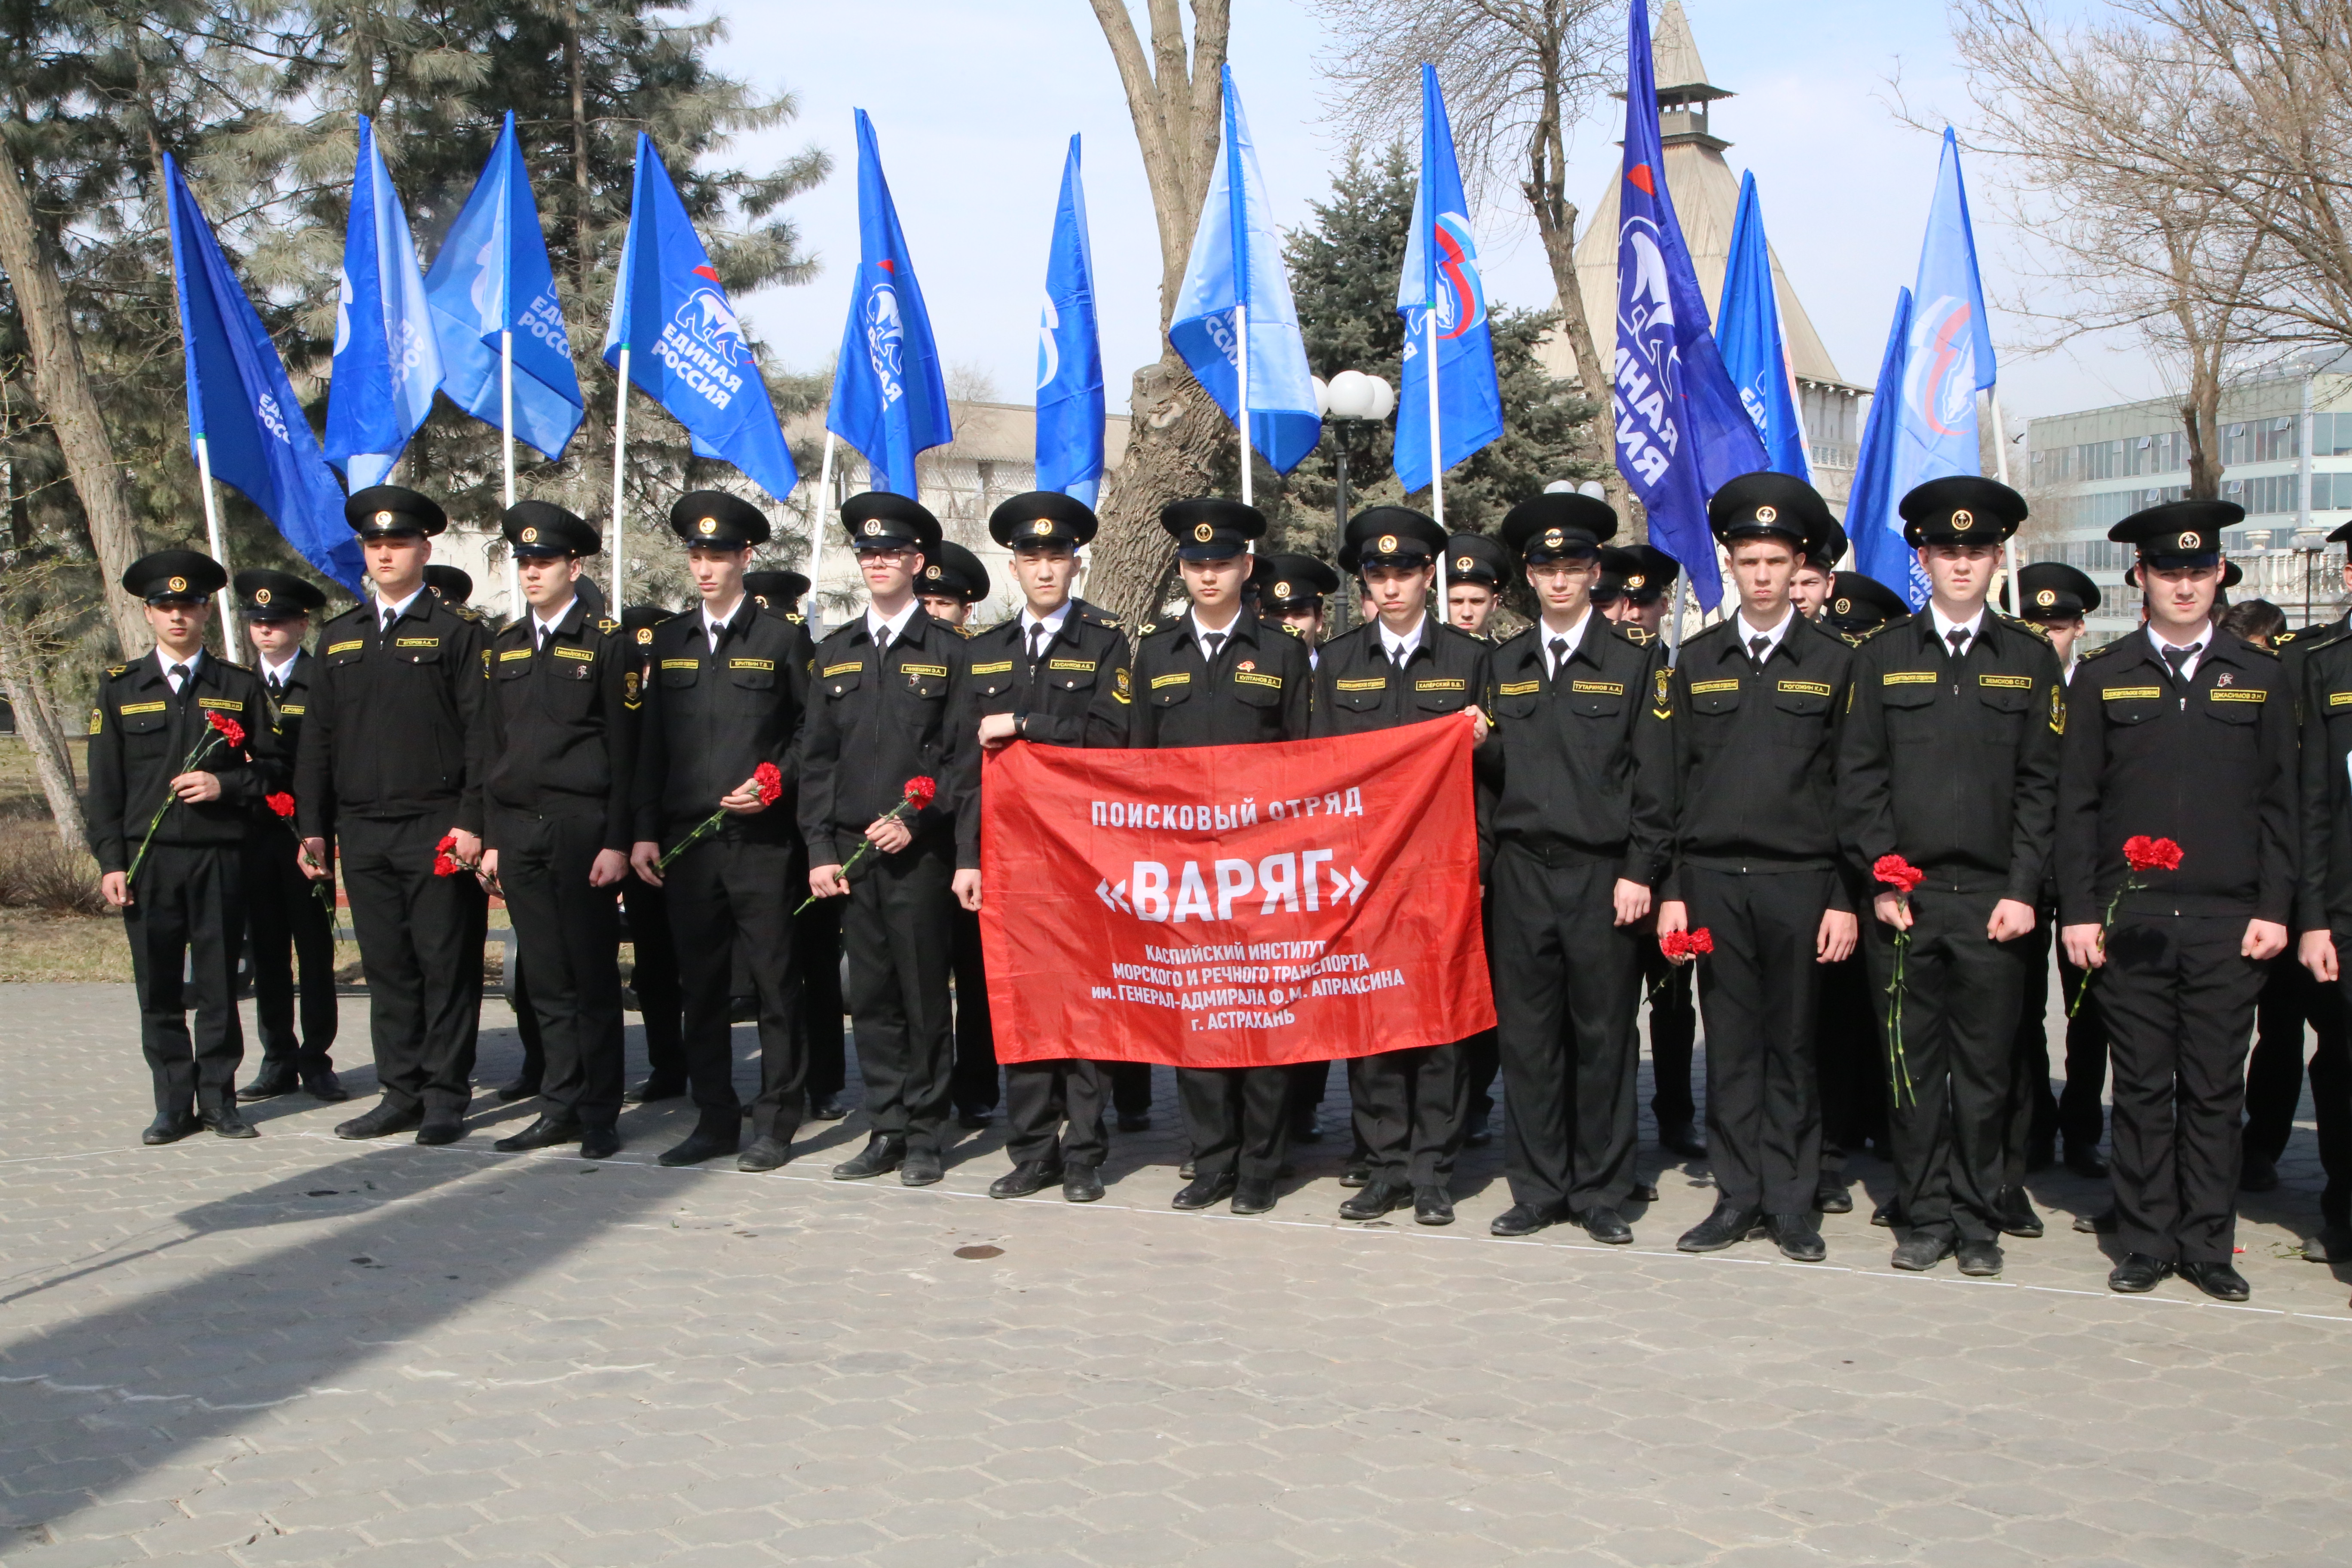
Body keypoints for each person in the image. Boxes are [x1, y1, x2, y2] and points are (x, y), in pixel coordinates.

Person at [2059, 499, 2293, 1301]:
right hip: (2134, 919)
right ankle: (2146, 1238)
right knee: (2143, 1084)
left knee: (2213, 1085)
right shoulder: (2102, 677)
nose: (2184, 584)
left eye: (2197, 570)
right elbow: (2076, 806)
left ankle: (2208, 1242)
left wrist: (2275, 907)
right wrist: (2080, 910)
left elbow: (2281, 803)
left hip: (2231, 920)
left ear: (2220, 574)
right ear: (2140, 578)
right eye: (2168, 571)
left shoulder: (2260, 676)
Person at [1838, 478, 2063, 1278]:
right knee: (1911, 1066)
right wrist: (1883, 879)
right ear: (1921, 557)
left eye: (1975, 551)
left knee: (1985, 1069)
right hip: (1907, 903)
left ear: (1997, 559)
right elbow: (1858, 780)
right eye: (1944, 550)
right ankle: (1924, 1213)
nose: (1960, 563)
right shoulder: (1882, 655)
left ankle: (1978, 1216)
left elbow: (2044, 786)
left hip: (1995, 902)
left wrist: (2023, 888)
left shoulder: (2028, 658)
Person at [1657, 472, 1861, 1262]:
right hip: (1713, 881)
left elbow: (1853, 787)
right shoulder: (1697, 659)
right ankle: (1736, 1195)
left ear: (1798, 564)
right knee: (1732, 1045)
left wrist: (1845, 894)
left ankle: (1791, 1199)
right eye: (1749, 561)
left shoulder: (1838, 663)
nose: (1764, 575)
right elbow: (1671, 785)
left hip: (1802, 884)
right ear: (1731, 567)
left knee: (1797, 1045)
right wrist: (1673, 890)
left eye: (1777, 561)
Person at [1094, 498, 1311, 1215]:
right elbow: (1136, 762)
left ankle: (1260, 1164)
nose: (1208, 574)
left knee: (1263, 1016)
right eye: (1196, 564)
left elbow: (1309, 761)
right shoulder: (1155, 651)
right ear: (1182, 570)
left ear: (1246, 567)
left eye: (1221, 563)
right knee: (1197, 1018)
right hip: (1185, 872)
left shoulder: (1281, 652)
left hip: (1262, 870)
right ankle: (1211, 1157)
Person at [1476, 496, 1672, 1242]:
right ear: (1527, 576)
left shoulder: (1634, 660)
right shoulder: (1503, 664)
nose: (1559, 580)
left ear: (1596, 573)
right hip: (1524, 874)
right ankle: (1536, 1186)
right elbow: (1493, 783)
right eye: (1545, 567)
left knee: (1603, 1036)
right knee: (1527, 1039)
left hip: (1602, 875)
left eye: (1572, 567)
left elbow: (1655, 782)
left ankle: (1599, 1188)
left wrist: (1639, 870)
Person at [1311, 506, 1493, 1226]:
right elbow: (1320, 769)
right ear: (1366, 584)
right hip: (1364, 874)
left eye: (1405, 572)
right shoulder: (1341, 662)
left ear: (1429, 576)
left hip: (1443, 870)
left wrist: (1481, 859)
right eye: (1378, 575)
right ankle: (1383, 1164)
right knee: (1371, 1018)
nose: (1392, 587)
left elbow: (1496, 775)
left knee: (1440, 1024)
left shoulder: (1469, 659)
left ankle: (1433, 1169)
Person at [297, 487, 490, 1147]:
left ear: (424, 550)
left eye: (398, 543)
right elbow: (317, 741)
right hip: (363, 828)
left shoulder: (457, 634)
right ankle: (399, 1091)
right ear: (364, 554)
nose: (386, 553)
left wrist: (472, 819)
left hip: (435, 824)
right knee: (388, 969)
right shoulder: (339, 638)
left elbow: (480, 736)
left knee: (445, 963)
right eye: (375, 545)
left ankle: (444, 1096)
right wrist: (313, 827)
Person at [630, 493, 816, 1171]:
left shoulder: (780, 639)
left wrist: (777, 780)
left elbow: (809, 732)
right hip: (689, 842)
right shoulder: (672, 639)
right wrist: (645, 831)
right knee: (701, 986)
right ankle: (714, 1116)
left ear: (746, 558)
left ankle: (777, 1120)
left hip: (762, 842)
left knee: (773, 983)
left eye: (719, 556)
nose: (705, 569)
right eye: (697, 556)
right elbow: (651, 745)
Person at [801, 493, 982, 1186]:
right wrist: (818, 850)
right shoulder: (835, 651)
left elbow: (962, 760)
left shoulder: (946, 652)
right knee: (871, 1000)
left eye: (892, 553)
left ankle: (928, 1134)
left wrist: (919, 820)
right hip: (852, 854)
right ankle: (886, 1127)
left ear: (916, 561)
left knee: (922, 998)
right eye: (868, 553)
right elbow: (815, 760)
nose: (879, 563)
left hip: (919, 855)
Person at [964, 491, 1130, 1203]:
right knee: (1024, 1002)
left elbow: (1113, 736)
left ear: (1076, 564)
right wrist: (968, 855)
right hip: (1010, 856)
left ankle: (1086, 1150)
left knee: (1087, 1002)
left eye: (1056, 556)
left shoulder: (1106, 642)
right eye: (1031, 557)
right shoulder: (986, 652)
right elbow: (964, 762)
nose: (1043, 568)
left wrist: (1026, 719)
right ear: (1012, 566)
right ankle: (1032, 1149)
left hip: (1085, 854)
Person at [91, 551, 285, 1143]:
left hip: (219, 854)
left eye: (190, 605)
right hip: (149, 863)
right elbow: (105, 786)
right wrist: (111, 861)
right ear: (149, 614)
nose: (178, 616)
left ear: (206, 610)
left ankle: (219, 1100)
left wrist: (224, 783)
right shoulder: (122, 687)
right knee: (158, 985)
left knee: (220, 983)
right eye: (165, 606)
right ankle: (173, 1104)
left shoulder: (238, 685)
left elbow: (276, 771)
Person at [476, 503, 636, 1161]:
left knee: (590, 976)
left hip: (582, 828)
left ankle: (599, 1111)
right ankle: (559, 1104)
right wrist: (489, 836)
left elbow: (628, 752)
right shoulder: (506, 645)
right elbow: (489, 747)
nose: (532, 571)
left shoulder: (607, 641)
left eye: (544, 562)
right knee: (543, 977)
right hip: (519, 830)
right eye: (524, 562)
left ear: (575, 567)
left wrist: (619, 841)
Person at [2000, 561, 2109, 1221]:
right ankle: (2033, 1126)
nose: (2050, 637)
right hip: (2023, 877)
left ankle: (2084, 1132)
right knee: (2018, 1013)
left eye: (2061, 626)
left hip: (2087, 881)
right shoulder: (2012, 684)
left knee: (2089, 1013)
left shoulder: (2095, 687)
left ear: (2080, 628)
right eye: (2036, 625)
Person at [232, 568, 347, 1105]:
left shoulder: (322, 680)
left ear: (302, 625)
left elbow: (329, 762)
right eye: (257, 622)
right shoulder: (238, 686)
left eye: (277, 621)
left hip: (308, 835)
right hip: (255, 834)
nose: (266, 630)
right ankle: (277, 1055)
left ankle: (316, 1059)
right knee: (269, 950)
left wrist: (319, 830)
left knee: (315, 949)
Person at [745, 571, 847, 1123]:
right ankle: (780, 1084)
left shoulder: (800, 652)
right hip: (760, 835)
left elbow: (815, 740)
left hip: (805, 834)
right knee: (774, 973)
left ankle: (827, 1081)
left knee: (816, 966)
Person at [1252, 551, 1345, 1149]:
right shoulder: (1260, 660)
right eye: (1278, 611)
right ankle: (1265, 1116)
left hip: (1320, 854)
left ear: (1320, 617)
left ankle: (1306, 1102)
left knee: (1311, 989)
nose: (1291, 622)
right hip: (1256, 853)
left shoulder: (1338, 668)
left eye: (1302, 611)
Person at [915, 540, 1003, 1131]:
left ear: (965, 612)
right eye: (925, 601)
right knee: (921, 972)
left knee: (975, 974)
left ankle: (976, 1086)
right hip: (914, 837)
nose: (933, 613)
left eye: (944, 604)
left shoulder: (974, 662)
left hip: (970, 834)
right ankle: (926, 1085)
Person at [2290, 530, 2352, 1267]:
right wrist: (2310, 915)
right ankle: (2342, 1204)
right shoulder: (2316, 666)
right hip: (2342, 904)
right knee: (2340, 1064)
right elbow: (2302, 803)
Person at [610, 604, 690, 1109]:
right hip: (641, 845)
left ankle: (705, 1064)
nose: (642, 674)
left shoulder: (676, 702)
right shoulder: (616, 707)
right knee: (654, 963)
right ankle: (667, 1064)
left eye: (650, 663)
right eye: (637, 663)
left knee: (700, 961)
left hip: (686, 837)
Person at [1445, 533, 1510, 637]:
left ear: (1493, 603)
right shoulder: (1424, 653)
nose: (1467, 613)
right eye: (1457, 601)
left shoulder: (1509, 654)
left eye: (1477, 602)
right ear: (1440, 603)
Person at [1789, 518, 1845, 622]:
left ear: (1829, 585)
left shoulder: (1836, 638)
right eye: (1789, 584)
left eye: (1810, 583)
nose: (1798, 595)